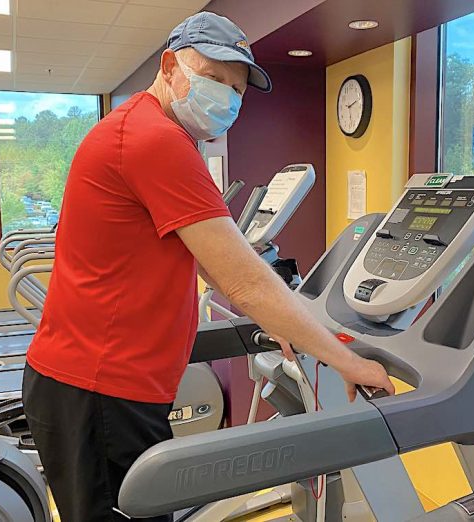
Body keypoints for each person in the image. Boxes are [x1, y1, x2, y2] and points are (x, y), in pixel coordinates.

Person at [22, 11, 394, 522]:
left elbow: (216, 269)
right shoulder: (156, 140)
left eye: (237, 89)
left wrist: (294, 329)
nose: (227, 96)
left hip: (99, 385)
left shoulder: (141, 128)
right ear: (171, 65)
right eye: (214, 78)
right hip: (100, 391)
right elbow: (244, 280)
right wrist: (347, 360)